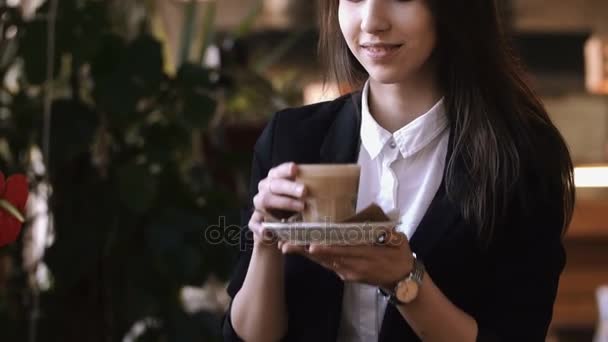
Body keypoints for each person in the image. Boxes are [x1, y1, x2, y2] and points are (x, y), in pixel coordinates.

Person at [222, 0, 575, 341]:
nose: (372, 22)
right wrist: (265, 241)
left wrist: (405, 281)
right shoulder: (292, 138)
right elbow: (249, 336)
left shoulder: (521, 159)